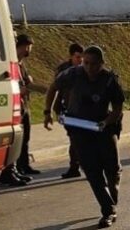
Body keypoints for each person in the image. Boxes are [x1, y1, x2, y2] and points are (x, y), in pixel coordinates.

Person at [44, 46, 124, 229]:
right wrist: (47, 112)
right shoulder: (72, 74)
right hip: (79, 129)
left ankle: (112, 193)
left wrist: (106, 122)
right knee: (92, 172)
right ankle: (108, 210)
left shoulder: (110, 80)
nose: (89, 67)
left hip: (103, 128)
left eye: (93, 64)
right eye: (85, 63)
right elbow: (53, 88)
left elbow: (118, 108)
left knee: (112, 169)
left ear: (101, 64)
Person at [0, 34, 37, 186]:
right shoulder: (10, 63)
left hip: (23, 105)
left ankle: (20, 166)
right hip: (14, 105)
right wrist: (19, 90)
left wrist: (28, 81)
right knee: (14, 139)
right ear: (19, 46)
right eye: (27, 47)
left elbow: (24, 82)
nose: (29, 50)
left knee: (23, 138)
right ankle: (8, 171)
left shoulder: (20, 65)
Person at [54, 43, 84, 179]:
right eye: (78, 57)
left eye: (82, 57)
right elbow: (57, 90)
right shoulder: (64, 70)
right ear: (71, 57)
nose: (81, 60)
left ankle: (88, 167)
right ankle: (74, 167)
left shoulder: (87, 68)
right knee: (75, 140)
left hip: (86, 110)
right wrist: (55, 108)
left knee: (85, 141)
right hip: (70, 110)